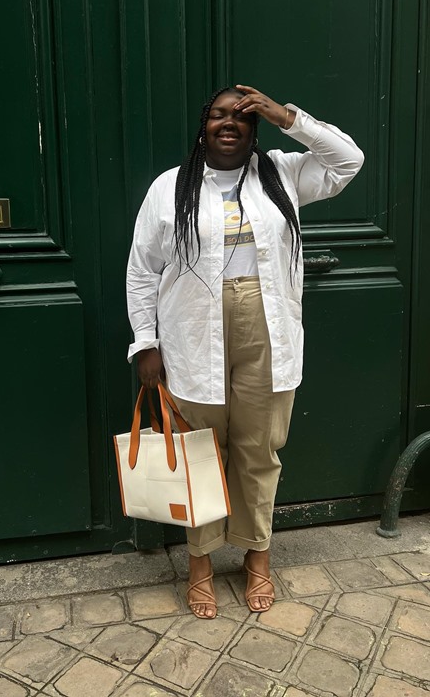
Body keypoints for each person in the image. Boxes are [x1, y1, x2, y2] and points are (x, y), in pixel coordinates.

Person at [126, 85, 364, 618]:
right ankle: (201, 562)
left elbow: (348, 160)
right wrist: (146, 342)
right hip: (192, 333)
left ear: (256, 126)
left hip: (268, 327)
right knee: (202, 454)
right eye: (218, 114)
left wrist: (287, 116)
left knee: (260, 449)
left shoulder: (281, 173)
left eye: (242, 114)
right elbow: (143, 269)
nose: (229, 122)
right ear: (202, 125)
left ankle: (258, 556)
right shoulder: (170, 188)